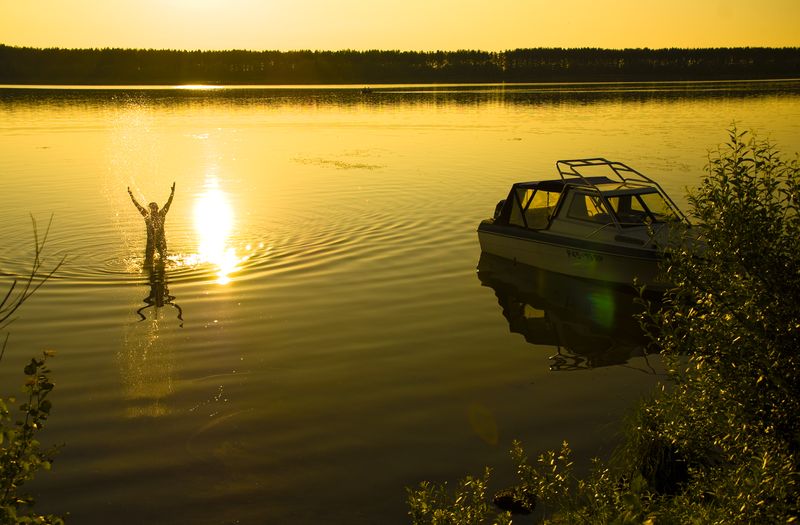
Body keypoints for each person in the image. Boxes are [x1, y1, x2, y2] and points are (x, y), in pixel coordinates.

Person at [128, 182, 175, 263]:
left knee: (163, 259)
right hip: (151, 242)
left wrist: (172, 193)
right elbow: (137, 205)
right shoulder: (147, 216)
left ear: (157, 208)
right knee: (148, 261)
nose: (153, 209)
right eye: (151, 208)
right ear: (150, 209)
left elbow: (168, 203)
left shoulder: (161, 214)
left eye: (154, 207)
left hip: (161, 241)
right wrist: (131, 196)